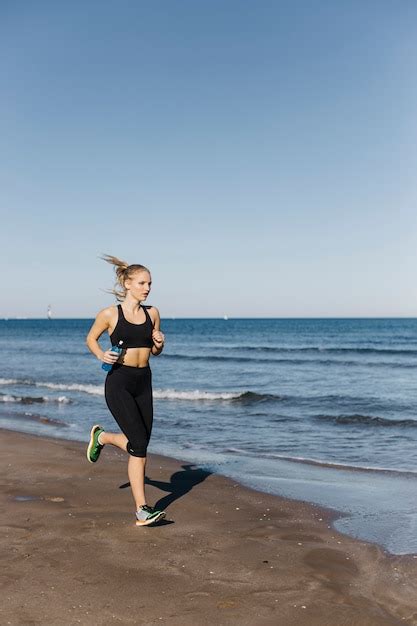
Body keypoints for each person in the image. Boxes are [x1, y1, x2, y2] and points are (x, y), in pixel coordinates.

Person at [85, 255, 166, 526]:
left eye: (150, 283)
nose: (147, 288)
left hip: (144, 381)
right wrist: (101, 355)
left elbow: (155, 352)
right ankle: (142, 509)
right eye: (142, 283)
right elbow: (90, 339)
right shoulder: (110, 314)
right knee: (139, 445)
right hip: (119, 381)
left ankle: (102, 438)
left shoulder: (152, 313)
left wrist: (159, 342)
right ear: (128, 283)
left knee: (140, 443)